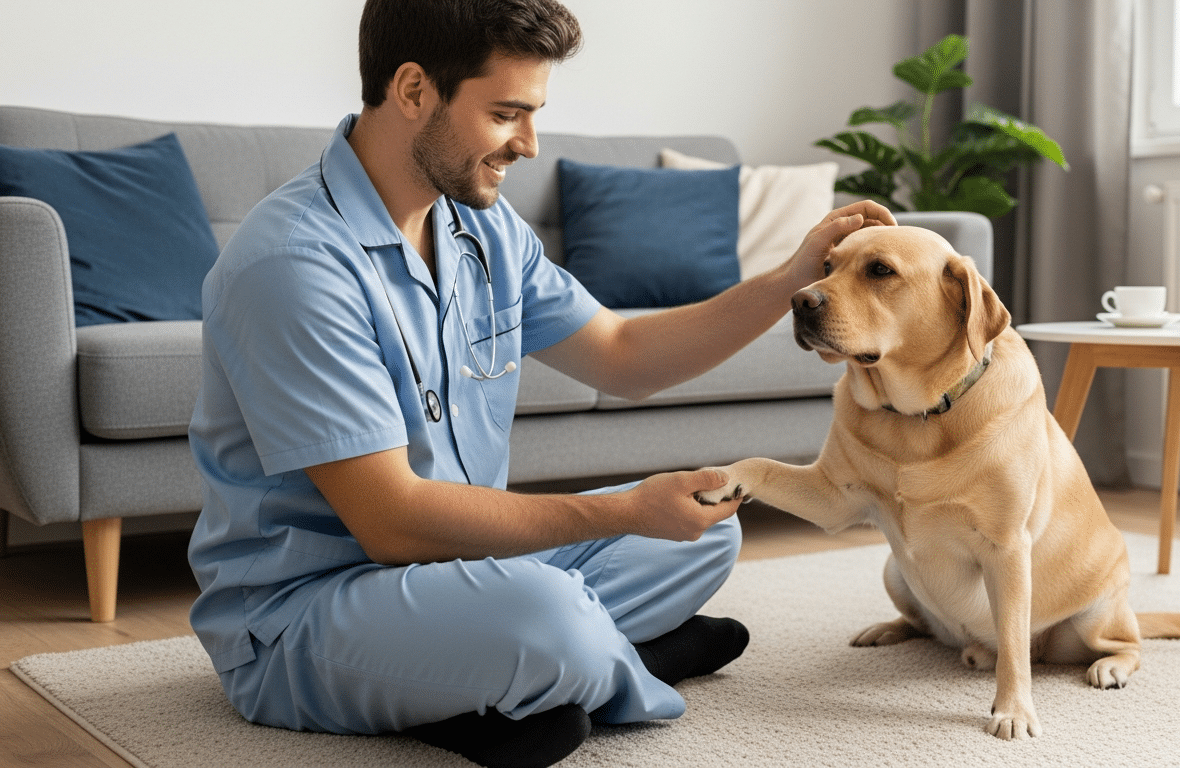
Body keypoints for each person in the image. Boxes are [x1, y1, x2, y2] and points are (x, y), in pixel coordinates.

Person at [186, 1, 895, 766]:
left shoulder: (479, 228)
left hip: (462, 569)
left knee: (708, 527)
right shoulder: (294, 264)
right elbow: (392, 522)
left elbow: (623, 353)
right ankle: (619, 666)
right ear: (415, 90)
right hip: (312, 609)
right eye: (506, 114)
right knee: (550, 616)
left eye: (533, 114)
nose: (527, 144)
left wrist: (789, 279)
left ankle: (535, 676)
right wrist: (620, 509)